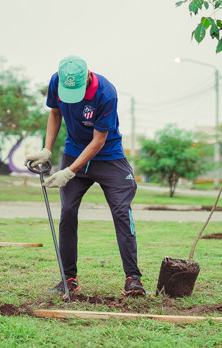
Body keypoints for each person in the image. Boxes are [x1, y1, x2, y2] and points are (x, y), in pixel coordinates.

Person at [26, 55, 145, 297]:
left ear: (88, 76)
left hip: (108, 155)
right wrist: (47, 149)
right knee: (67, 212)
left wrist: (70, 171)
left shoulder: (106, 93)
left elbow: (98, 141)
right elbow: (55, 113)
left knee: (122, 211)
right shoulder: (56, 82)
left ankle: (133, 279)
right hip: (73, 150)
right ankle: (68, 279)